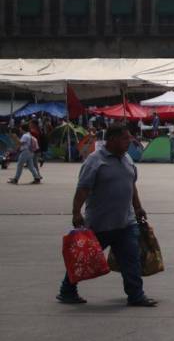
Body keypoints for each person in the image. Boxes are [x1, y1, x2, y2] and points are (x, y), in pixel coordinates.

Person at [57, 123, 157, 307]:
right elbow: (83, 189)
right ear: (112, 139)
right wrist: (76, 212)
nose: (129, 142)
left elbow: (131, 185)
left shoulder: (127, 158)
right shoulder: (94, 161)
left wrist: (138, 208)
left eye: (129, 138)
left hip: (125, 222)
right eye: (125, 138)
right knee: (84, 258)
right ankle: (67, 291)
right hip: (100, 223)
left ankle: (136, 295)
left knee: (131, 260)